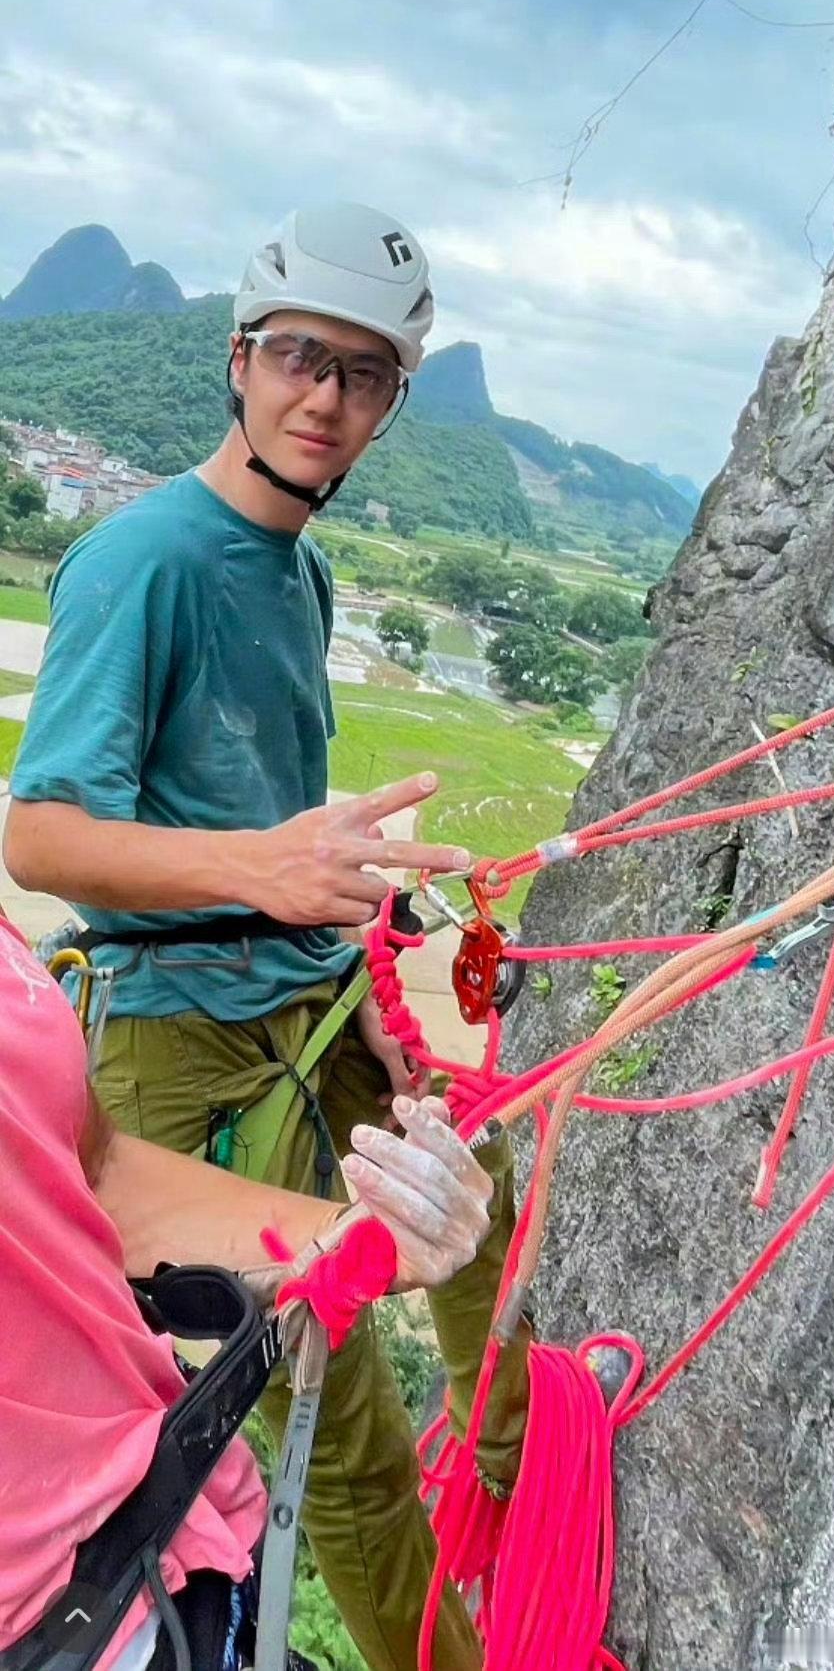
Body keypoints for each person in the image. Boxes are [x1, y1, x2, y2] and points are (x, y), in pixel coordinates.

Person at [3, 204, 530, 1671]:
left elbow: (279, 853)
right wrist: (272, 869)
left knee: (482, 1193)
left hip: (306, 1002)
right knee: (335, 1417)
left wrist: (349, 968)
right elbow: (40, 836)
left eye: (366, 376)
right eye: (302, 359)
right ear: (241, 363)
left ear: (392, 404)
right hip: (185, 1049)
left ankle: (514, 1496)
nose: (326, 399)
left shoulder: (302, 575)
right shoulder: (144, 564)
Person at [0, 902, 495, 1669]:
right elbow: (47, 833)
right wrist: (266, 866)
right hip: (62, 1622)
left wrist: (346, 1238)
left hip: (172, 1526)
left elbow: (93, 1170)